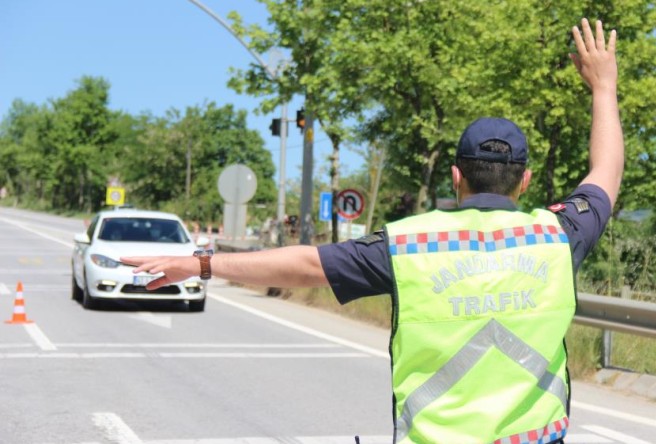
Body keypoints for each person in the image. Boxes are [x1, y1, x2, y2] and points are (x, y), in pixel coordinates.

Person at [122, 18, 622, 444]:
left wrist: (200, 263)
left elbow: (302, 264)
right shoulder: (558, 235)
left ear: (455, 176)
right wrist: (603, 86)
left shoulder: (410, 244)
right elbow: (605, 172)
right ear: (526, 180)